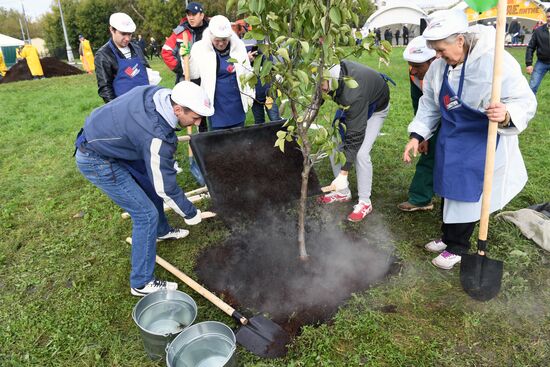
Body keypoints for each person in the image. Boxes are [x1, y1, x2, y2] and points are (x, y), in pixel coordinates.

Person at [403, 10, 537, 270]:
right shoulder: (440, 67)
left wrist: (507, 114)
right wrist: (417, 134)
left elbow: (525, 101)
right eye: (435, 51)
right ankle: (447, 236)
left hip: (483, 139)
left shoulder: (495, 61)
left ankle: (458, 247)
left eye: (441, 50)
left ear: (460, 41)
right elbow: (429, 103)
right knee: (448, 186)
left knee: (468, 194)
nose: (437, 57)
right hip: (453, 136)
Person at [74, 81, 215, 296]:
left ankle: (162, 231)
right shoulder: (155, 135)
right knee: (145, 215)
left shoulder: (160, 95)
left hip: (117, 142)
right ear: (177, 109)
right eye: (195, 117)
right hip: (97, 158)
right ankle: (141, 282)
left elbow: (158, 181)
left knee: (151, 185)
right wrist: (190, 213)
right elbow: (166, 188)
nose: (198, 123)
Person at [318, 60, 391, 222]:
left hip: (375, 106)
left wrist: (344, 172)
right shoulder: (330, 76)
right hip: (352, 102)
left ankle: (365, 201)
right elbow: (320, 94)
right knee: (334, 144)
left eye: (323, 84)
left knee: (361, 154)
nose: (321, 88)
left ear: (333, 80)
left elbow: (355, 135)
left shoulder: (353, 93)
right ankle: (342, 192)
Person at [188, 15, 254, 130]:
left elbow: (247, 72)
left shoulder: (239, 46)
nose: (221, 44)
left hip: (236, 102)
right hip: (216, 104)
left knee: (238, 137)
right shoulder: (200, 48)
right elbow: (193, 74)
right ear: (210, 37)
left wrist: (250, 95)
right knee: (218, 139)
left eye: (224, 40)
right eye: (217, 40)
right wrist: (188, 59)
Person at [398, 36, 437, 212]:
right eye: (411, 65)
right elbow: (419, 104)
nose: (413, 71)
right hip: (430, 112)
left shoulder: (448, 72)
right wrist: (421, 136)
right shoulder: (414, 74)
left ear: (434, 60)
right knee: (429, 153)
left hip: (453, 116)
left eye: (418, 66)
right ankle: (421, 199)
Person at [94, 13, 150, 103]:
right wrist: (117, 109)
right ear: (112, 30)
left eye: (130, 34)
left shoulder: (136, 48)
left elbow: (146, 69)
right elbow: (105, 88)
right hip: (124, 106)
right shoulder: (103, 55)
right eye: (123, 34)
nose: (127, 38)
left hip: (145, 101)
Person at [162, 2, 209, 85]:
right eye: (188, 15)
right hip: (185, 79)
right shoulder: (180, 32)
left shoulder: (210, 31)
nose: (190, 18)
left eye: (194, 14)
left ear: (202, 15)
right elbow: (166, 51)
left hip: (207, 78)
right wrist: (180, 68)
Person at [525, 9, 550, 95]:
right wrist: (529, 64)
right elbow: (530, 47)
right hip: (541, 62)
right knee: (532, 87)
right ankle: (528, 107)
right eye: (548, 16)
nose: (549, 18)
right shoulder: (538, 31)